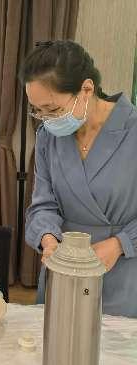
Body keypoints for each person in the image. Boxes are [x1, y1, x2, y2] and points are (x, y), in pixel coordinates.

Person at [22, 40, 137, 318]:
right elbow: (43, 204)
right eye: (37, 111)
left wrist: (120, 244)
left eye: (52, 110)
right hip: (64, 266)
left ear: (86, 89)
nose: (45, 119)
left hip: (123, 267)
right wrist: (48, 239)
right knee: (56, 336)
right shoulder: (48, 137)